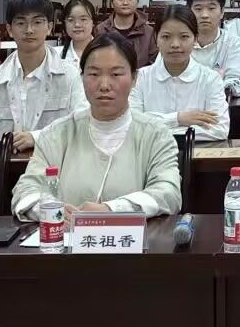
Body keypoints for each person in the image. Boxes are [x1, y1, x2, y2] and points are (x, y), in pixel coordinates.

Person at [11, 34, 181, 221]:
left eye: (116, 74)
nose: (104, 85)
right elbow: (25, 191)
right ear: (81, 77)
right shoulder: (56, 134)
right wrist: (52, 211)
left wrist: (112, 210)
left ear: (134, 78)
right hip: (67, 237)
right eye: (93, 74)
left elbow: (168, 192)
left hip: (133, 239)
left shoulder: (156, 135)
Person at [0, 0, 89, 153]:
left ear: (49, 27)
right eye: (21, 23)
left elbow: (83, 121)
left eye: (37, 22)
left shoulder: (70, 76)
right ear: (9, 29)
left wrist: (37, 137)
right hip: (5, 166)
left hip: (56, 165)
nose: (29, 30)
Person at [129, 5, 229, 141]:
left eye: (184, 37)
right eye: (166, 37)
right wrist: (178, 119)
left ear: (195, 39)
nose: (175, 44)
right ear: (156, 38)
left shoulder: (210, 79)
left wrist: (155, 125)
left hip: (195, 152)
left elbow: (220, 129)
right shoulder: (140, 78)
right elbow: (132, 124)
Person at [186, 0, 240, 97]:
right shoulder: (177, 42)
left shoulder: (233, 43)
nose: (204, 15)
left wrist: (205, 90)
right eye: (198, 9)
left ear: (222, 12)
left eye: (211, 8)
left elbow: (238, 81)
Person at [97, 0, 157, 68]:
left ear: (137, 2)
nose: (125, 2)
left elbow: (154, 63)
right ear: (112, 3)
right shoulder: (101, 30)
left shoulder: (149, 32)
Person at [58, 0, 99, 66]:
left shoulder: (105, 52)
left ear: (93, 23)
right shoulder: (56, 55)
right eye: (71, 20)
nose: (77, 25)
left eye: (83, 19)